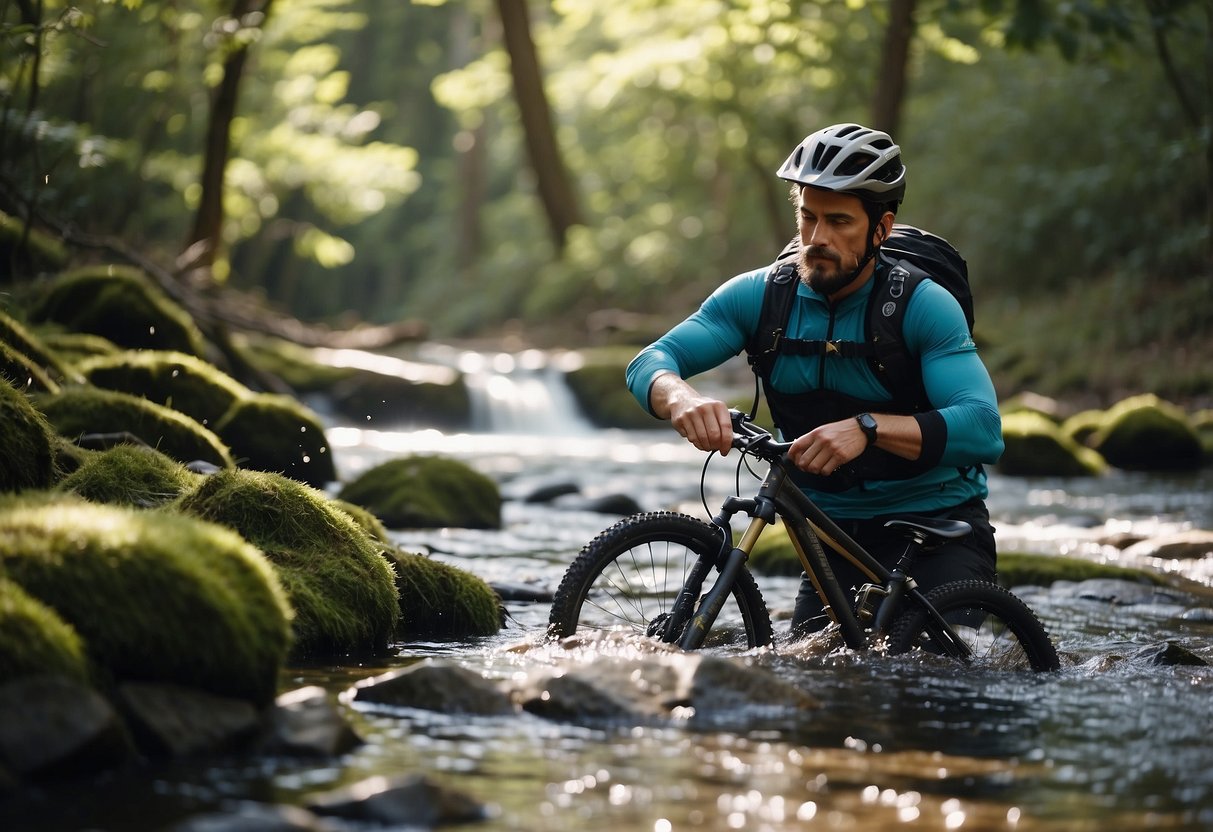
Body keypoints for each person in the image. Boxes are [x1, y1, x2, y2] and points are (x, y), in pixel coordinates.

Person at [625, 122, 1005, 636]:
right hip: (830, 537)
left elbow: (984, 428)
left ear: (882, 228)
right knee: (816, 685)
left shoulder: (921, 305)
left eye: (840, 221)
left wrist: (867, 427)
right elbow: (652, 360)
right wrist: (681, 398)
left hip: (937, 530)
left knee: (924, 688)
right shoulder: (761, 297)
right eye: (809, 217)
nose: (818, 238)